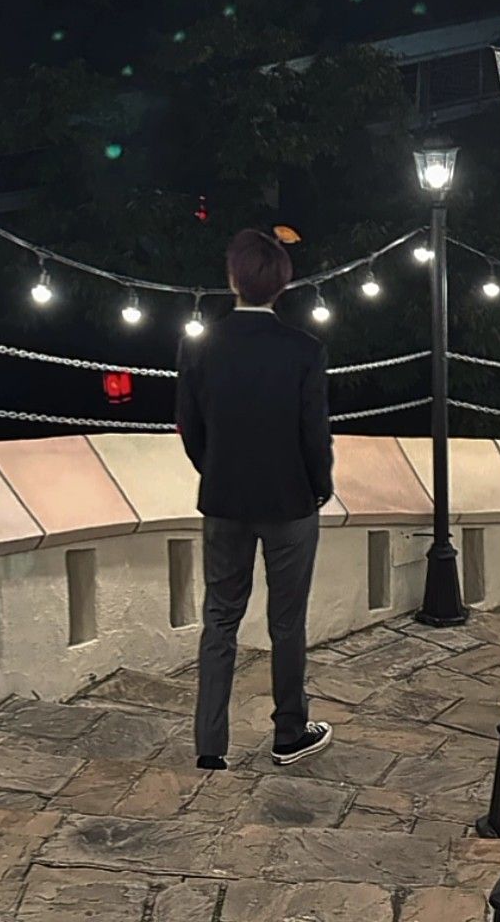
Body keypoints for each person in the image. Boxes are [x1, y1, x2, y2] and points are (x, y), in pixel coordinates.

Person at [176, 227, 334, 772]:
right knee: (286, 622)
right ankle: (289, 733)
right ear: (283, 284)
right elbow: (314, 435)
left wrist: (216, 469)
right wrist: (320, 485)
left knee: (220, 617)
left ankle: (209, 745)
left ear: (232, 279)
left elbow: (189, 429)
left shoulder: (199, 345)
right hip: (291, 501)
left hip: (223, 498)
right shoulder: (304, 350)